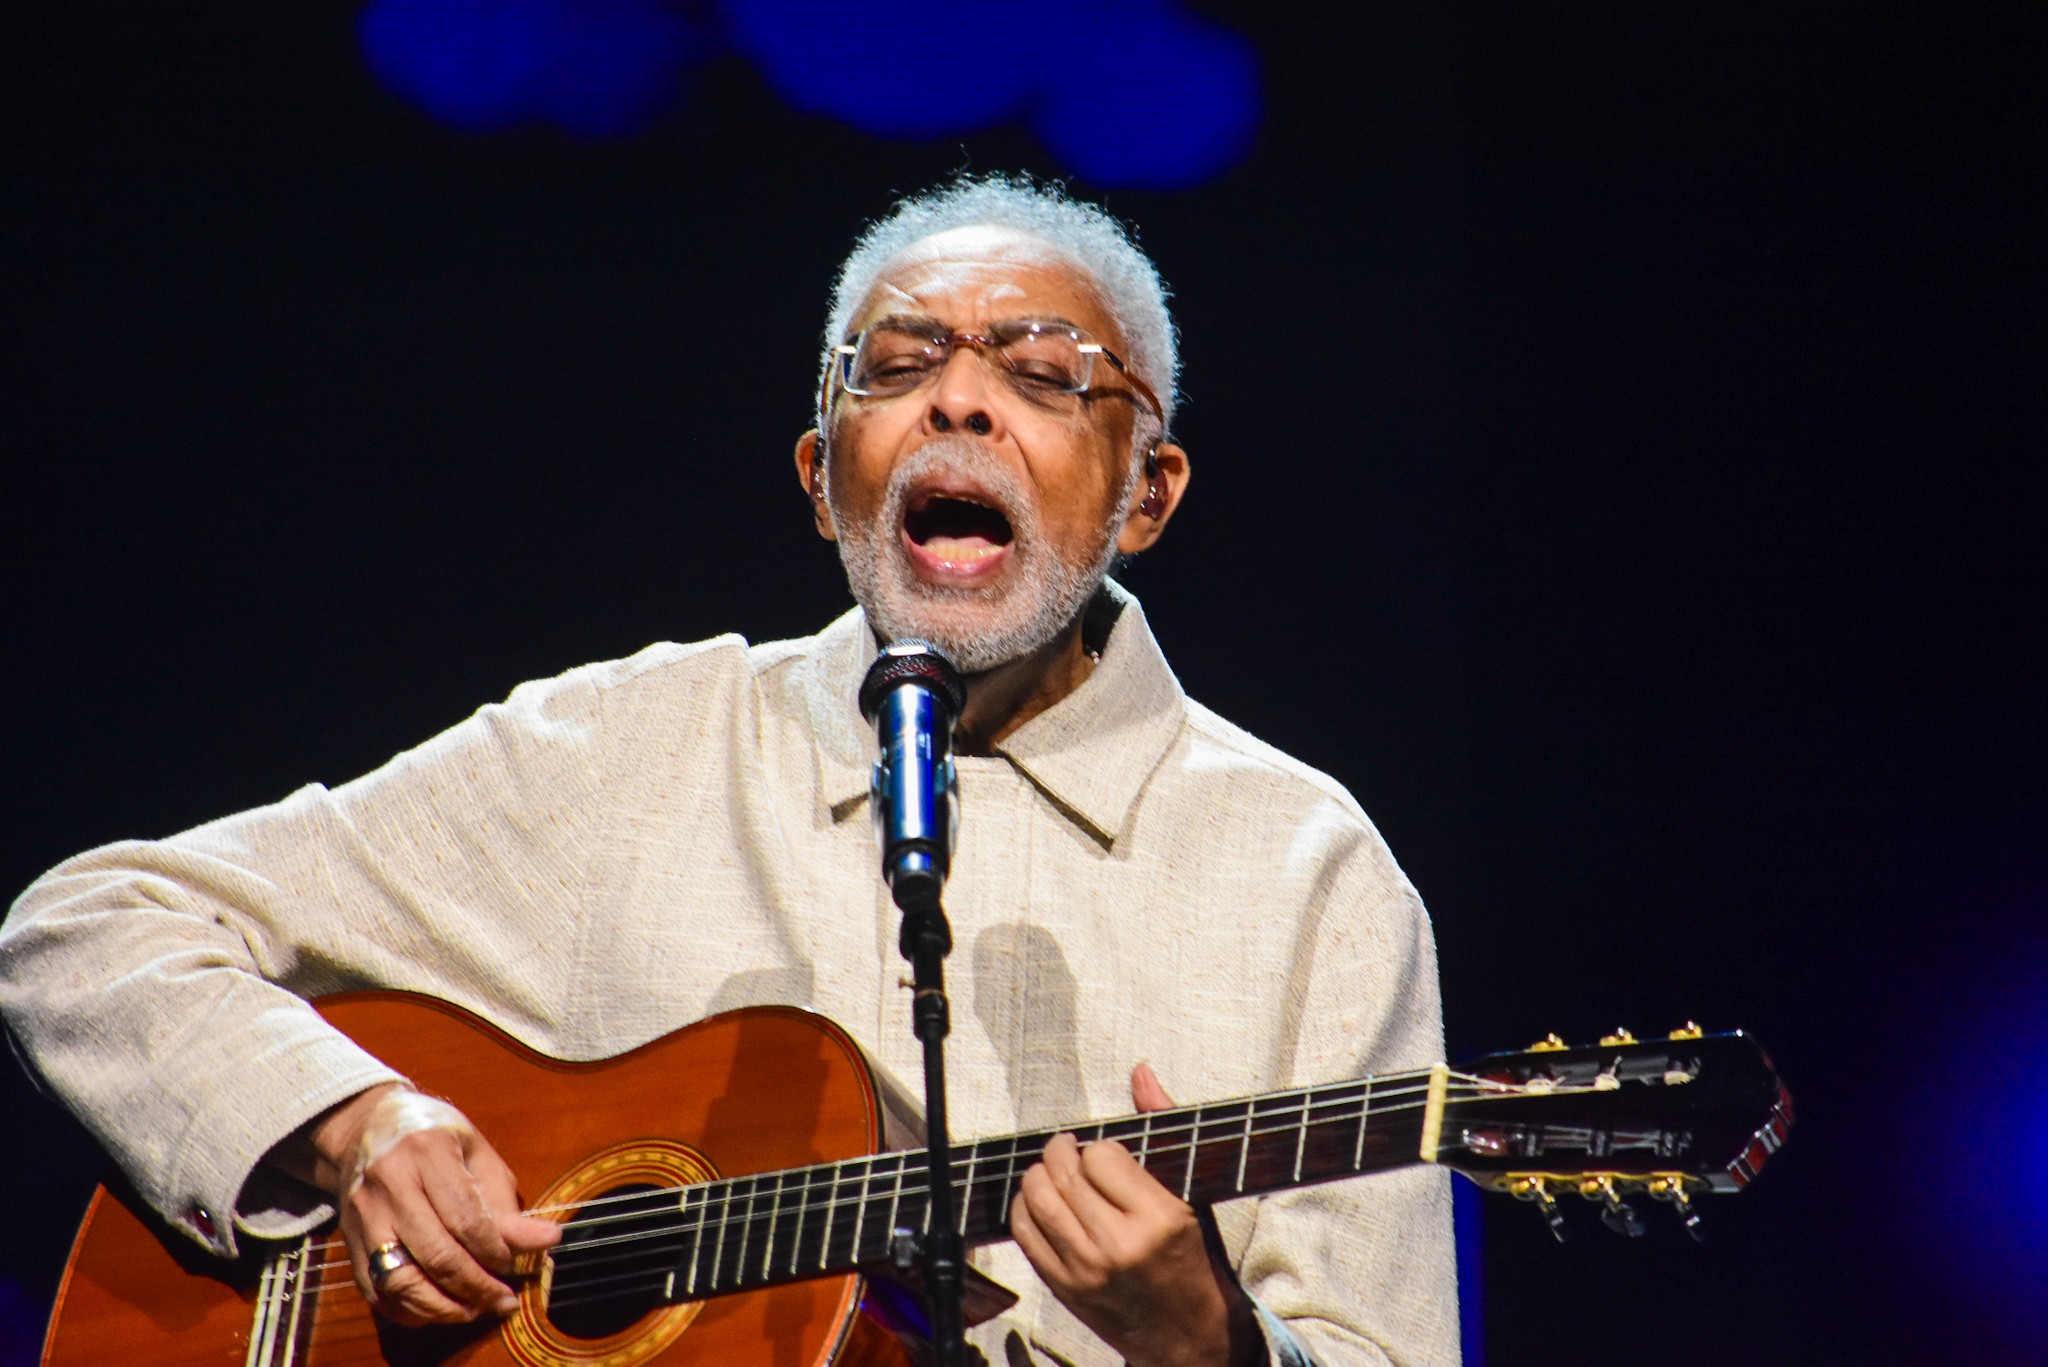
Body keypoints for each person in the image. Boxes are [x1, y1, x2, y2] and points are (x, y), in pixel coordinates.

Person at [0, 176, 1458, 1366]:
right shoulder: (629, 750)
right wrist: (356, 1125)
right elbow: (90, 927)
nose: (959, 403)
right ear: (824, 477)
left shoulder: (1303, 873)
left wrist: (1209, 1346)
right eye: (900, 366)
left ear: (1147, 493)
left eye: (1041, 374)